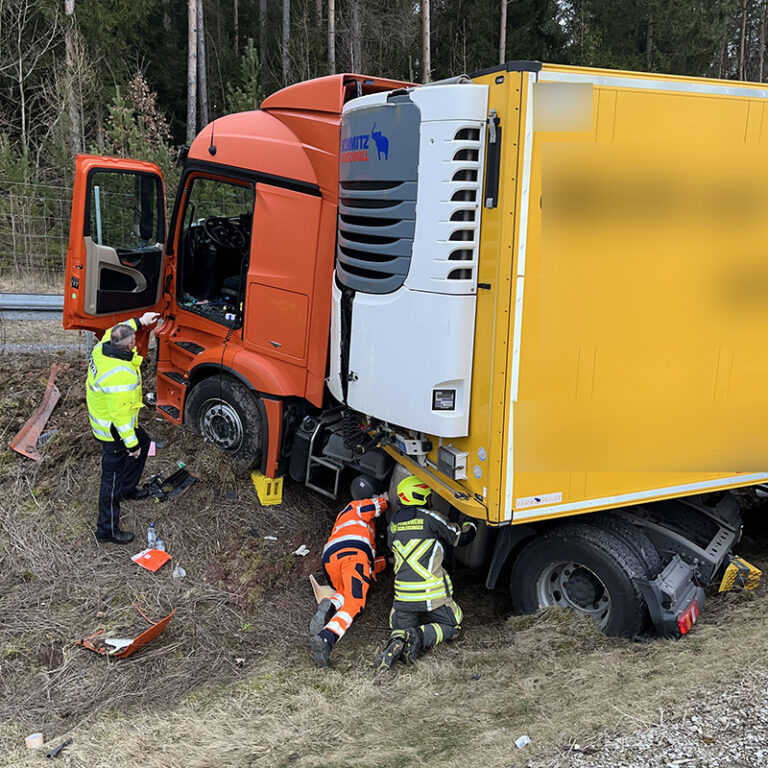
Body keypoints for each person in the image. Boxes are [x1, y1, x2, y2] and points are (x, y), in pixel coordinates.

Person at [374, 475, 477, 670]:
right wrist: (471, 521)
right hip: (433, 594)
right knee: (453, 626)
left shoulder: (393, 525)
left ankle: (397, 640)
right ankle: (419, 636)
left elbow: (391, 548)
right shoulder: (431, 518)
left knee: (400, 628)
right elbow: (460, 538)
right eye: (428, 496)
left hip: (403, 597)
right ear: (419, 497)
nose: (430, 500)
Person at [87, 312, 160, 544]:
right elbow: (121, 419)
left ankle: (128, 489)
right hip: (113, 432)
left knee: (145, 440)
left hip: (107, 419)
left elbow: (119, 328)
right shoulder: (121, 375)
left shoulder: (103, 346)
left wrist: (141, 321)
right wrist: (132, 446)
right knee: (111, 480)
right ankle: (106, 531)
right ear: (130, 345)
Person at [309, 494, 389, 667]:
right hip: (354, 556)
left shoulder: (343, 522)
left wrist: (387, 562)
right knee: (354, 603)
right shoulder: (356, 506)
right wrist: (386, 499)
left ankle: (330, 607)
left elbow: (368, 568)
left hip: (331, 560)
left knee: (344, 592)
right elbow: (375, 506)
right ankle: (326, 638)